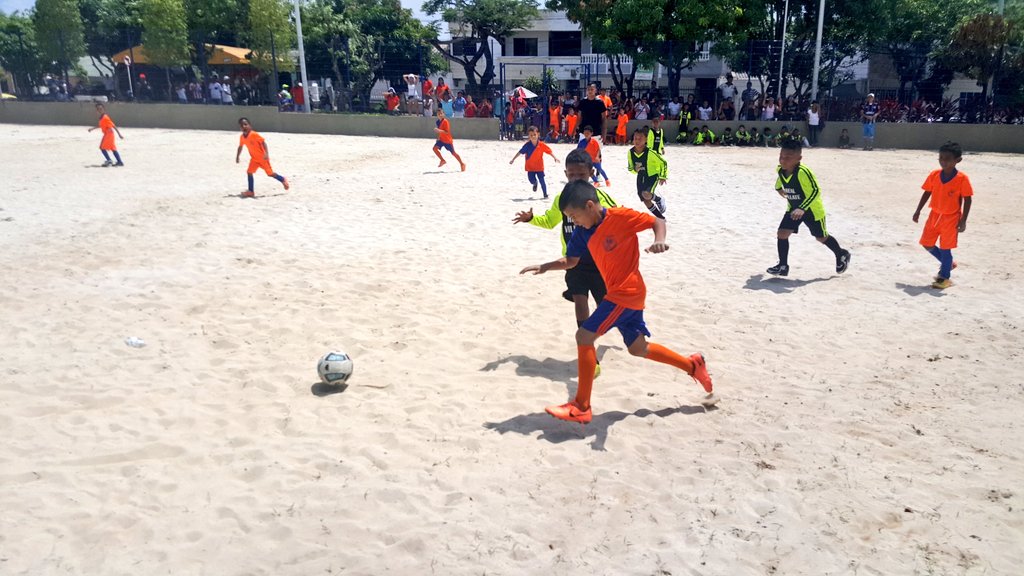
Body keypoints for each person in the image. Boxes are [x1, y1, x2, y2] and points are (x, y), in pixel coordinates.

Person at [519, 181, 717, 423]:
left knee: (584, 336)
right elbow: (571, 261)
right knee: (638, 348)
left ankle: (581, 406)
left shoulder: (621, 217)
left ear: (590, 206)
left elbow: (657, 221)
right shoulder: (582, 233)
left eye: (574, 215)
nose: (574, 221)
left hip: (626, 293)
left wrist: (659, 240)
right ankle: (692, 365)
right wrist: (545, 266)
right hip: (623, 295)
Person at [513, 150, 617, 377]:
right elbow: (550, 222)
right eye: (571, 175)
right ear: (565, 174)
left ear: (591, 173)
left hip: (600, 264)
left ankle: (606, 333)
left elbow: (616, 220)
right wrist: (531, 219)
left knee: (608, 310)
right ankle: (588, 353)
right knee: (580, 301)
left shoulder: (601, 198)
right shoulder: (563, 198)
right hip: (572, 262)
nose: (575, 179)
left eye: (581, 174)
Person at [766, 139, 851, 277]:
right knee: (782, 233)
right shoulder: (781, 170)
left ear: (798, 158)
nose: (783, 160)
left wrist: (803, 208)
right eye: (781, 156)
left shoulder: (803, 172)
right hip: (793, 209)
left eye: (788, 157)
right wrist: (778, 189)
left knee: (821, 237)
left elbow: (815, 191)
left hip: (812, 211)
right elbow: (780, 179)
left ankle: (841, 254)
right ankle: (783, 266)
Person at [912, 141, 973, 289]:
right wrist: (918, 210)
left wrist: (963, 220)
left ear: (957, 160)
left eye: (948, 159)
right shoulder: (934, 175)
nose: (943, 162)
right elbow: (927, 192)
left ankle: (944, 277)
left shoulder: (962, 179)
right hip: (934, 215)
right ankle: (949, 264)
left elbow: (968, 199)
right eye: (941, 158)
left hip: (951, 218)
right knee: (927, 243)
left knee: (946, 248)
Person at [235, 117, 289, 198]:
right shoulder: (242, 137)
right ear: (240, 127)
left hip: (263, 159)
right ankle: (251, 191)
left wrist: (266, 153)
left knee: (270, 174)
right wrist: (238, 156)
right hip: (254, 159)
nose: (244, 126)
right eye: (242, 125)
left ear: (250, 125)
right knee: (249, 172)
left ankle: (282, 179)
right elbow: (240, 146)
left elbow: (263, 143)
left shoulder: (254, 134)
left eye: (245, 124)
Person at [509, 125, 560, 198]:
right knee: (531, 180)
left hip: (539, 167)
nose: (533, 136)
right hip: (530, 168)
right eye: (531, 135)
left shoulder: (542, 145)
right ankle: (535, 183)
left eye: (535, 135)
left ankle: (545, 194)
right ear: (528, 136)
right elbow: (520, 152)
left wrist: (555, 157)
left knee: (542, 181)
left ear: (538, 134)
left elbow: (549, 151)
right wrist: (513, 159)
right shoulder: (527, 145)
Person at [628, 129, 668, 219]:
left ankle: (658, 199)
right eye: (635, 138)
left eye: (640, 138)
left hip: (652, 176)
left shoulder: (650, 153)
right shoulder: (630, 152)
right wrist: (635, 169)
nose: (637, 141)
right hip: (640, 177)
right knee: (646, 200)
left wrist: (663, 176)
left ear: (646, 140)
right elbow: (630, 169)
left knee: (646, 194)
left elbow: (663, 162)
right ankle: (661, 218)